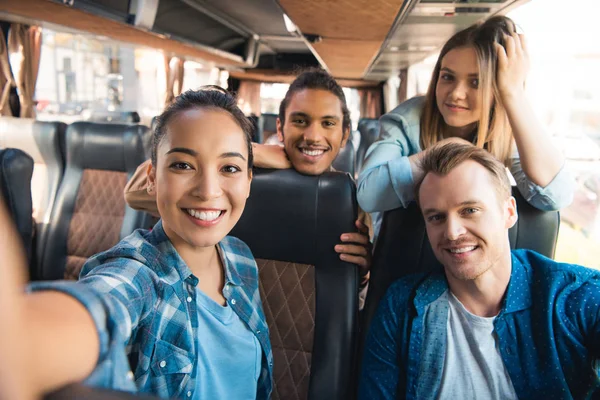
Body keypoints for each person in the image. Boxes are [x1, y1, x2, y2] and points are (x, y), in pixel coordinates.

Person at [0, 88, 273, 399]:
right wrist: (20, 343)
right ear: (152, 177)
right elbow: (101, 304)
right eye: (183, 165)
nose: (208, 191)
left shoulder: (241, 258)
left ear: (249, 180)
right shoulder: (138, 276)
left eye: (230, 168)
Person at [359, 142, 600, 399]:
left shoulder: (573, 296)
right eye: (436, 217)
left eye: (470, 210)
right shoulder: (401, 305)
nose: (452, 232)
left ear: (508, 213)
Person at [126, 69, 372, 298]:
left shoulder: (353, 202)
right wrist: (247, 154)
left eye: (328, 123)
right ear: (280, 127)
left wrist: (361, 274)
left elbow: (357, 303)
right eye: (300, 121)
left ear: (345, 135)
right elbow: (134, 193)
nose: (312, 136)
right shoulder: (239, 176)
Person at [357, 16, 574, 219]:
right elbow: (368, 195)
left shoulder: (504, 126)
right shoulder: (407, 119)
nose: (456, 94)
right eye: (448, 77)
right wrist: (444, 152)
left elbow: (555, 196)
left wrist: (513, 94)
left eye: (476, 82)